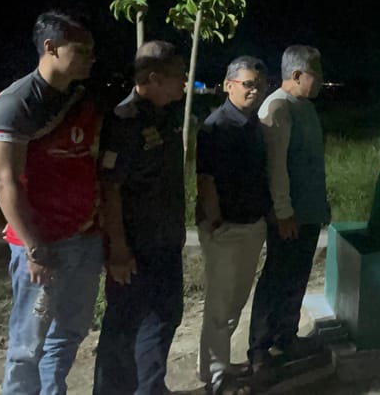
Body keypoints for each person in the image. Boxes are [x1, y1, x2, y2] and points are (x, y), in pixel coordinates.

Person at [0, 12, 101, 395]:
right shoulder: (17, 103)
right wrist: (35, 249)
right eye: (80, 50)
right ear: (50, 49)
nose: (90, 58)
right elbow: (3, 180)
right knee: (26, 345)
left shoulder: (79, 97)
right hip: (42, 245)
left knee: (69, 331)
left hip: (83, 237)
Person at [93, 41, 188, 395]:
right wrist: (118, 247)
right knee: (123, 326)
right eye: (179, 76)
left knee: (165, 317)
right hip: (134, 246)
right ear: (153, 77)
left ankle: (150, 388)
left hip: (165, 240)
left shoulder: (167, 115)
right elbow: (111, 188)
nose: (184, 82)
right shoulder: (125, 121)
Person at [248, 45, 330, 371]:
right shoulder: (278, 107)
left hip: (307, 212)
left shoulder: (304, 106)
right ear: (296, 75)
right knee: (276, 279)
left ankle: (286, 337)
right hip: (288, 216)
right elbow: (276, 166)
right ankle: (259, 348)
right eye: (317, 74)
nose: (322, 81)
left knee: (297, 278)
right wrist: (283, 212)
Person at [196, 57, 272, 394]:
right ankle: (216, 377)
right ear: (229, 85)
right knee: (219, 305)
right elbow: (205, 179)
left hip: (252, 225)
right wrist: (215, 222)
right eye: (247, 84)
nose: (254, 89)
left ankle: (220, 365)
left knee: (236, 300)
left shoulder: (254, 124)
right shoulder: (216, 126)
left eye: (259, 84)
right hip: (225, 228)